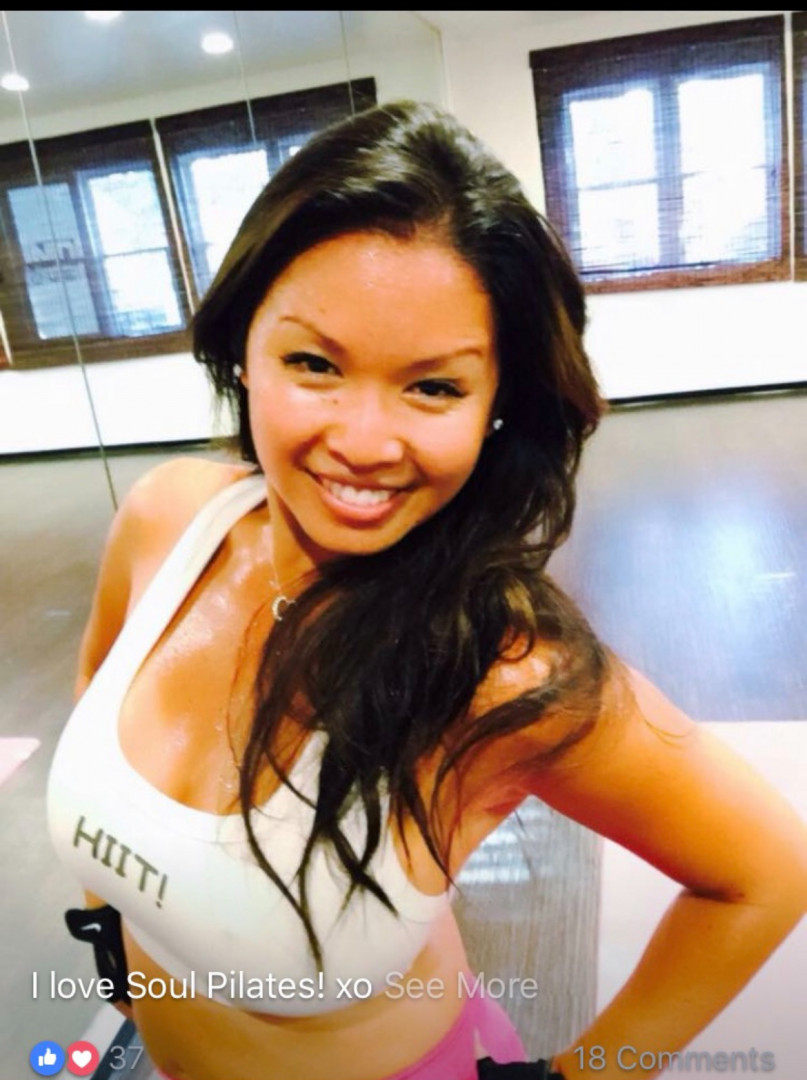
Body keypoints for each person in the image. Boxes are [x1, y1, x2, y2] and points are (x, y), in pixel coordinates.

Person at [47, 101, 807, 1080]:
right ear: (243, 350)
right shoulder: (168, 517)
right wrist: (110, 935)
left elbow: (764, 875)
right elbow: (96, 695)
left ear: (498, 407)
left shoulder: (500, 671)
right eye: (313, 363)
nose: (363, 441)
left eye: (433, 387)